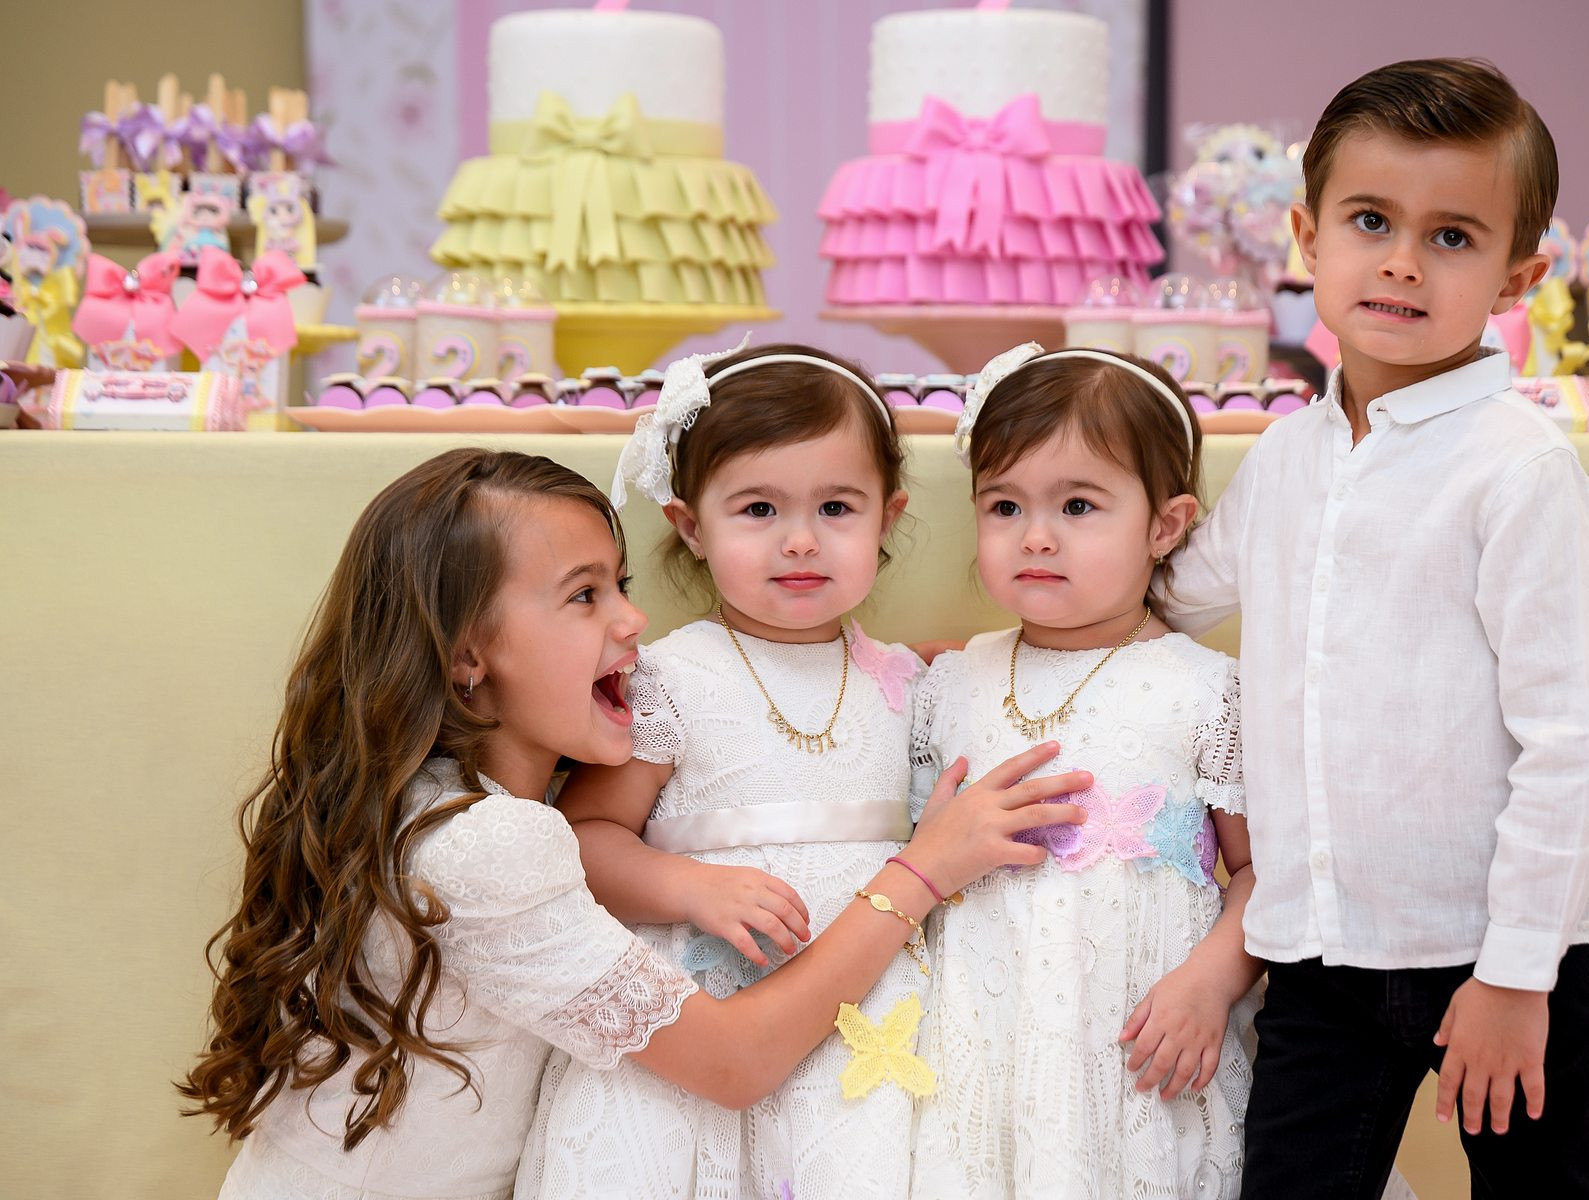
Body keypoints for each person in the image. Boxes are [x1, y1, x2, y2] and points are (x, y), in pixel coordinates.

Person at [177, 447, 1088, 1200]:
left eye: (620, 584)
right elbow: (736, 1061)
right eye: (585, 596)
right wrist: (920, 873)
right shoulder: (489, 845)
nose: (633, 620)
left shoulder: (446, 801)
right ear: (466, 656)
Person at [1158, 58, 1589, 1199]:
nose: (1403, 262)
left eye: (1452, 236)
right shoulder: (1285, 458)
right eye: (1370, 220)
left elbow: (1568, 744)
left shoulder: (1521, 474)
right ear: (1306, 236)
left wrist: (1516, 975)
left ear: (1517, 277)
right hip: (1321, 947)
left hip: (1513, 952)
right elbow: (1170, 599)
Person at [520, 342, 938, 1198]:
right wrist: (690, 888)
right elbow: (584, 839)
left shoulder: (907, 681)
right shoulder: (672, 678)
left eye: (837, 507)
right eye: (758, 509)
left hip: (860, 1010)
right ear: (690, 527)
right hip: (702, 996)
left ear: (886, 518)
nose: (800, 540)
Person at [908, 344, 1262, 1198]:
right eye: (1004, 505)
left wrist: (1210, 983)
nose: (1036, 535)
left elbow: (1265, 871)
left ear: (1165, 527)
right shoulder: (949, 682)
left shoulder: (1205, 689)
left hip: (1142, 1042)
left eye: (1077, 505)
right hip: (980, 1039)